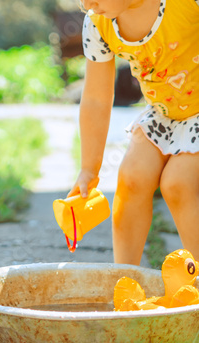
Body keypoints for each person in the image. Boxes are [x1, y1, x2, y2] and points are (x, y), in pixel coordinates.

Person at [69, 0, 199, 265]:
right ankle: (125, 280)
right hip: (164, 116)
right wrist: (89, 170)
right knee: (132, 177)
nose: (86, 4)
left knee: (178, 184)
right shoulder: (98, 23)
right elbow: (96, 99)